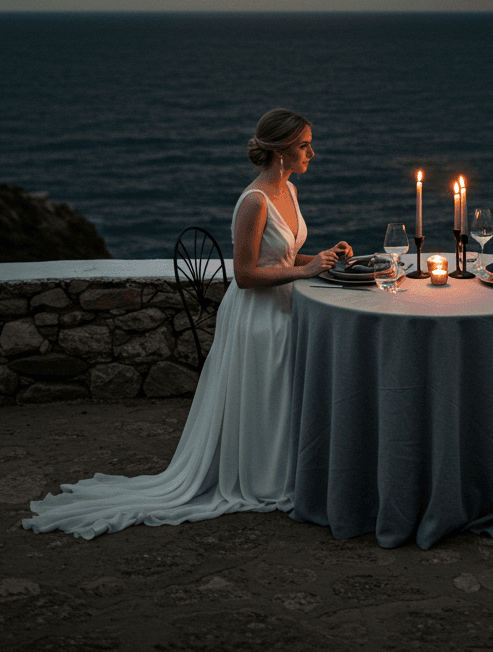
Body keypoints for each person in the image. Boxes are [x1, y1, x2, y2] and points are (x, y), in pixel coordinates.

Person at [23, 108, 352, 538]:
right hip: (257, 314)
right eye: (305, 145)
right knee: (269, 394)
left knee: (280, 395)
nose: (313, 152)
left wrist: (322, 257)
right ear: (281, 151)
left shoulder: (288, 190)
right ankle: (264, 480)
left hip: (284, 304)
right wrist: (305, 273)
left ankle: (285, 470)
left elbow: (285, 257)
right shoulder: (254, 202)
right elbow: (247, 274)